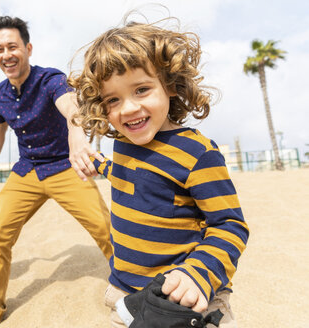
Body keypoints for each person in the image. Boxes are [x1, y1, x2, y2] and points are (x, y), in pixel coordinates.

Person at [68, 18, 249, 327]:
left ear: (169, 85)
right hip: (126, 291)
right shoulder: (125, 144)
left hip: (184, 299)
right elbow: (129, 177)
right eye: (113, 99)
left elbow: (230, 225)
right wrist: (97, 164)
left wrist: (198, 273)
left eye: (141, 89)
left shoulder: (197, 153)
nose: (127, 108)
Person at [0, 16, 112, 328]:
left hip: (65, 166)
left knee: (105, 229)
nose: (6, 54)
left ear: (27, 48)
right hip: (27, 172)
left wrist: (77, 136)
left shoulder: (50, 79)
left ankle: (135, 287)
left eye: (12, 46)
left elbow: (71, 107)